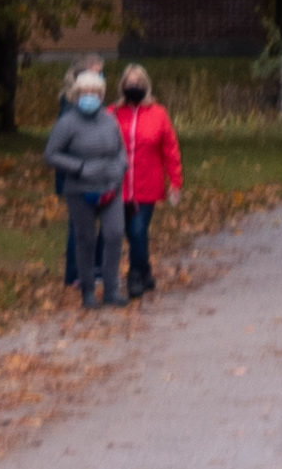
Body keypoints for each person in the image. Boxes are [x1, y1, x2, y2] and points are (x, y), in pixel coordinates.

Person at [42, 66, 124, 309]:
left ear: (101, 95)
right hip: (80, 190)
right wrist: (79, 167)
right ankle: (88, 291)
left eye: (95, 91)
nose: (91, 95)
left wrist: (120, 168)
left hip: (111, 186)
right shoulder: (67, 123)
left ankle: (111, 289)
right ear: (77, 94)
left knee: (114, 234)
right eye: (86, 91)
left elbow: (120, 151)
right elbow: (51, 155)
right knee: (85, 239)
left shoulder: (110, 121)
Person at [113, 64, 183, 301]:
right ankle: (146, 270)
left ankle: (135, 276)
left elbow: (170, 149)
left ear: (146, 86)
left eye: (138, 83)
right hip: (119, 185)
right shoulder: (112, 113)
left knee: (138, 229)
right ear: (123, 86)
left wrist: (175, 181)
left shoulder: (158, 113)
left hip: (147, 185)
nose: (134, 86)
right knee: (130, 234)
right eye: (130, 83)